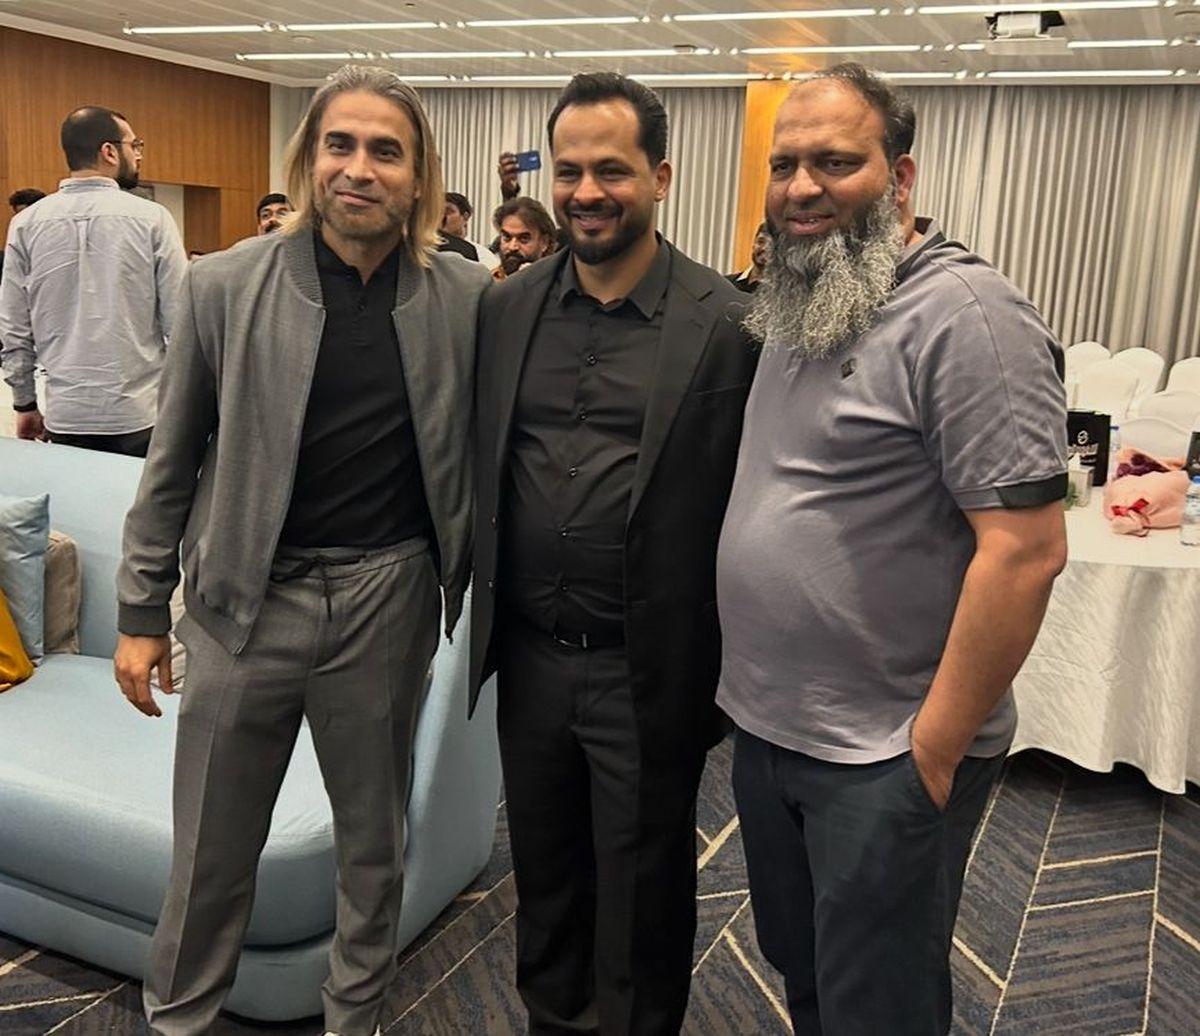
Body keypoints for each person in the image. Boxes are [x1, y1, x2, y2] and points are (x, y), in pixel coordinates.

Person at [113, 65, 489, 1036]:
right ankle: (179, 1019)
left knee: (373, 847)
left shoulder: (463, 297)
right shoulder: (224, 285)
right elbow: (171, 463)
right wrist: (141, 611)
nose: (359, 168)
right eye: (340, 145)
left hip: (387, 599)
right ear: (309, 158)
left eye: (385, 151)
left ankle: (353, 1020)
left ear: (417, 177)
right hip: (243, 604)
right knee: (210, 853)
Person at [715, 63, 1068, 1036]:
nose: (801, 186)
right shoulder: (803, 300)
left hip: (883, 750)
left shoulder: (969, 317)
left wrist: (932, 753)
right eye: (784, 163)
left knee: (880, 1006)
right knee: (806, 975)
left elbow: (1027, 551)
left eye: (835, 162)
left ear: (900, 178)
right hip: (774, 731)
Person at [471, 72, 759, 1035]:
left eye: (612, 170)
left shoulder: (727, 323)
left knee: (642, 893)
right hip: (529, 659)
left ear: (661, 177)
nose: (586, 192)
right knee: (545, 877)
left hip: (650, 667)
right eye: (569, 171)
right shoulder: (506, 311)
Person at [0, 107, 185, 456]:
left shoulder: (25, 225)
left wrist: (24, 404)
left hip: (66, 415)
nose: (139, 154)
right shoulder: (153, 219)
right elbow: (181, 326)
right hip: (140, 414)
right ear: (109, 152)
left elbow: (14, 328)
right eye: (134, 145)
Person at [490, 196, 557, 280]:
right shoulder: (487, 282)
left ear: (544, 243)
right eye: (507, 237)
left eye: (524, 239)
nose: (512, 247)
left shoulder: (560, 283)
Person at [437, 190, 483, 262]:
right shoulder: (426, 247)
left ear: (465, 216)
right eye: (438, 212)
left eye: (448, 211)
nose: (442, 217)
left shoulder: (477, 252)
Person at [727, 222, 770, 293]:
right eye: (761, 242)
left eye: (771, 244)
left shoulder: (783, 294)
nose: (764, 248)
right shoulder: (726, 283)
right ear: (753, 244)